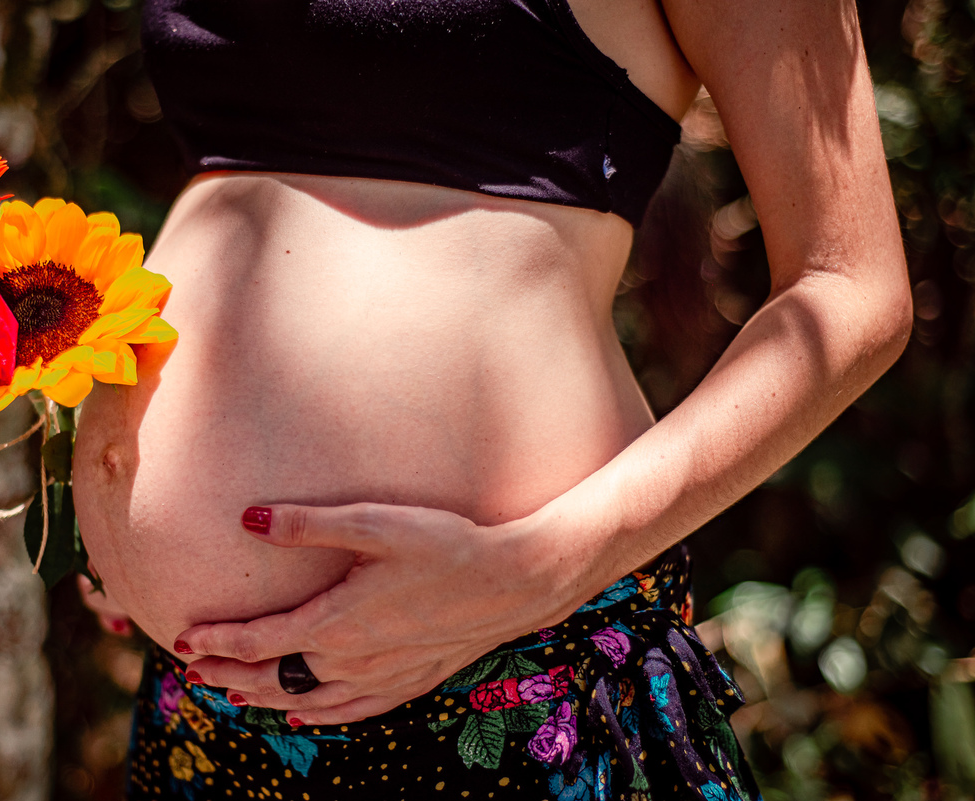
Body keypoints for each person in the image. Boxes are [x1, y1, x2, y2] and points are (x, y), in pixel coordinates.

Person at [71, 0, 912, 798]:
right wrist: (129, 509)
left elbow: (851, 290)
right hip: (210, 699)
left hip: (512, 667)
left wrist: (542, 568)